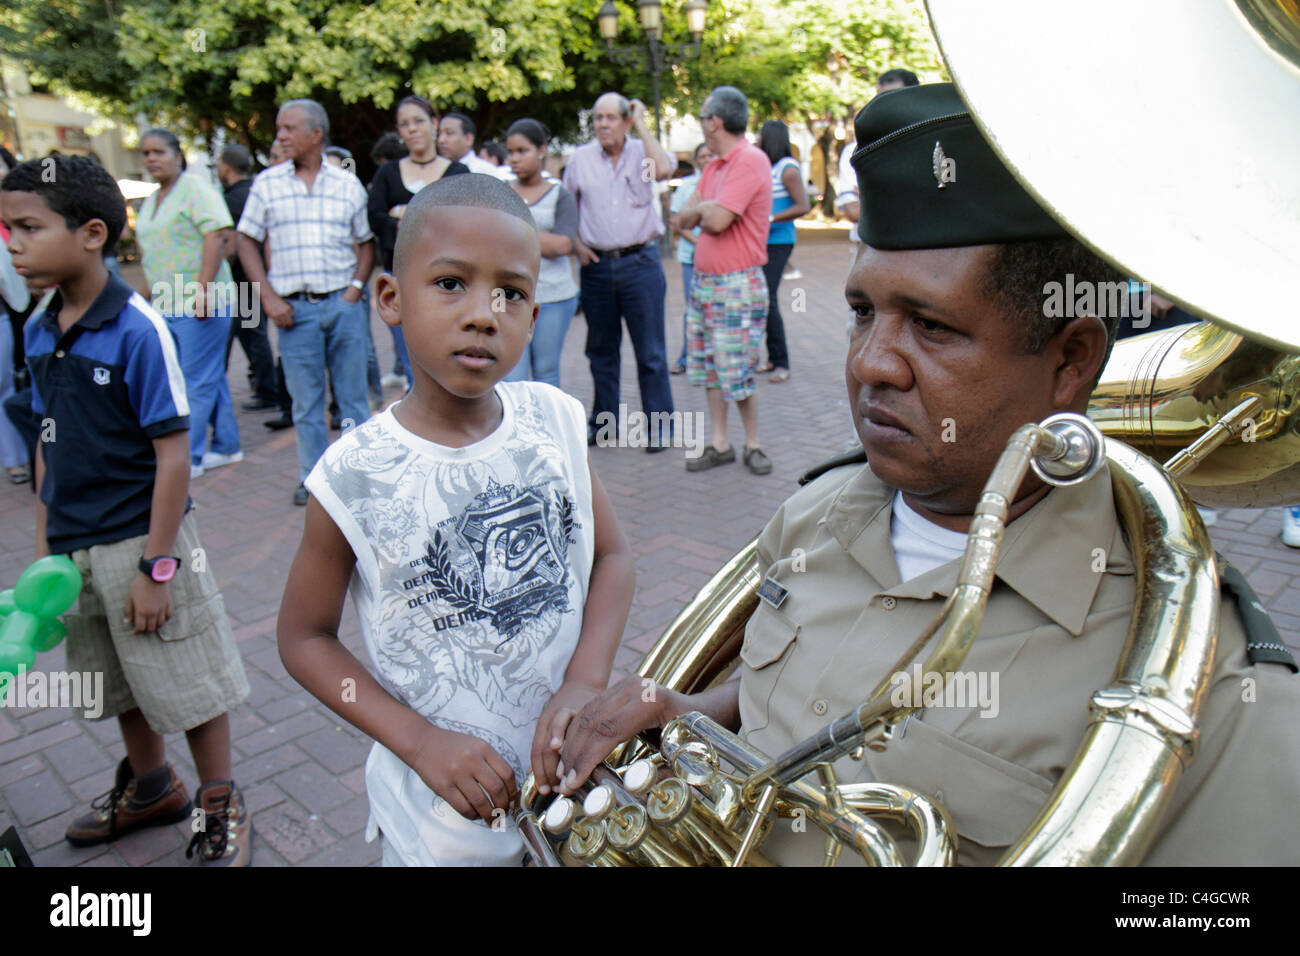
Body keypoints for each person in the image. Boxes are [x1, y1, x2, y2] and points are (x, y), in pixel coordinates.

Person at [551, 83, 1300, 866]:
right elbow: (812, 687)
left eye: (934, 327)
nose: (870, 362)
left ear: (1071, 359)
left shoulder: (1202, 675)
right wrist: (694, 711)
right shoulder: (817, 513)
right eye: (863, 311)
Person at [277, 173, 635, 866]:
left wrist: (585, 681)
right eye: (450, 284)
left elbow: (613, 559)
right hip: (442, 822)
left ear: (534, 315)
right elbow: (304, 638)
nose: (483, 313)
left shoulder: (553, 420)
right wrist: (416, 741)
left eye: (512, 292)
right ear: (390, 298)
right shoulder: (352, 475)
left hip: (571, 784)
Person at [1, 154, 252, 865]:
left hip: (143, 541)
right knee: (119, 681)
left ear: (91, 233)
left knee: (188, 678)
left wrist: (156, 566)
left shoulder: (138, 328)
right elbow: (47, 437)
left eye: (26, 227)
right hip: (76, 548)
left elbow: (173, 454)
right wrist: (49, 545)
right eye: (6, 227)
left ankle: (218, 800)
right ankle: (151, 788)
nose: (11, 242)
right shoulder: (40, 326)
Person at [236, 98, 376, 507]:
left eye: (288, 128)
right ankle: (313, 480)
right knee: (307, 402)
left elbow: (366, 244)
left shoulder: (346, 184)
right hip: (292, 313)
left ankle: (357, 477)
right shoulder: (267, 183)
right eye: (278, 128)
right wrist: (269, 297)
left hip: (342, 305)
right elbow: (246, 240)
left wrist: (354, 290)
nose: (280, 136)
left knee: (352, 399)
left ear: (316, 135)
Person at [563, 93, 676, 451]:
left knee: (651, 352)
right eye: (598, 118)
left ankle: (660, 427)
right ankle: (605, 424)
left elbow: (664, 170)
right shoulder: (580, 159)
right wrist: (577, 245)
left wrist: (642, 123)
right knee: (601, 351)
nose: (603, 125)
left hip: (640, 263)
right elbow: (568, 207)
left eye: (612, 117)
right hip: (596, 267)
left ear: (626, 121)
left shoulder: (643, 153)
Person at [134, 128, 243, 480]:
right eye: (146, 153)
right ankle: (227, 445)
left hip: (201, 301)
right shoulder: (152, 200)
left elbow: (217, 233)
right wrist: (144, 299)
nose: (151, 159)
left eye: (158, 152)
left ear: (177, 155)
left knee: (193, 380)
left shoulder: (195, 188)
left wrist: (203, 291)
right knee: (207, 376)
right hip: (168, 304)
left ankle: (189, 458)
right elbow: (153, 255)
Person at [678, 86, 774, 476]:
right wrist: (703, 208)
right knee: (708, 367)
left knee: (737, 368)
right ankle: (720, 442)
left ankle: (753, 443)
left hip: (736, 285)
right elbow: (682, 218)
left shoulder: (749, 160)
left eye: (702, 117)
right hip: (705, 283)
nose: (701, 124)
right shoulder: (715, 166)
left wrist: (702, 209)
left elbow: (715, 221)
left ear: (715, 121)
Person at [368, 95, 469, 392]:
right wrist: (419, 218)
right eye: (404, 124)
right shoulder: (387, 173)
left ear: (434, 123)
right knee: (414, 367)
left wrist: (403, 211)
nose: (412, 129)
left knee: (452, 361)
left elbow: (461, 224)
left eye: (418, 121)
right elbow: (375, 217)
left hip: (451, 285)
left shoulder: (457, 173)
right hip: (404, 282)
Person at [503, 119, 580, 389]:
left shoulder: (560, 194)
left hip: (553, 295)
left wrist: (512, 232)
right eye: (510, 152)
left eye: (522, 150)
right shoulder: (500, 191)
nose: (514, 158)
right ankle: (516, 432)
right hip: (505, 296)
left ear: (541, 150)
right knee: (511, 375)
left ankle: (549, 432)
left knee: (547, 374)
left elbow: (562, 245)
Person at [215, 143, 280, 412]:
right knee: (255, 334)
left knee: (254, 336)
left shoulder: (229, 201)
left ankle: (267, 390)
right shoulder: (256, 193)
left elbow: (229, 245)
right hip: (259, 278)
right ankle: (266, 387)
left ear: (226, 168)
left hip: (242, 283)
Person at [836, 69, 920, 253]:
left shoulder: (934, 145)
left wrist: (871, 196)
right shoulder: (855, 151)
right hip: (870, 256)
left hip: (921, 256)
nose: (886, 106)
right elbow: (852, 212)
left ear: (915, 98)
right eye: (881, 99)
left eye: (894, 97)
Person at [757, 121, 811, 384]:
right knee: (761, 298)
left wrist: (769, 218)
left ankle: (781, 362)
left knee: (768, 298)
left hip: (779, 240)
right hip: (761, 241)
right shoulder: (767, 167)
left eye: (760, 136)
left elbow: (803, 205)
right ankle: (771, 358)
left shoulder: (788, 169)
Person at [668, 144, 713, 375]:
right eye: (702, 156)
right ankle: (687, 356)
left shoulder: (724, 183)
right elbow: (676, 221)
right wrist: (698, 242)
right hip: (691, 257)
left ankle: (713, 358)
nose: (706, 159)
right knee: (692, 307)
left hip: (718, 259)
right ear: (696, 161)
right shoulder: (687, 186)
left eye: (710, 155)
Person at [437, 112, 500, 177]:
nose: (441, 140)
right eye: (439, 134)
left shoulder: (486, 172)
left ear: (468, 139)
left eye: (449, 133)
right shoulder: (433, 170)